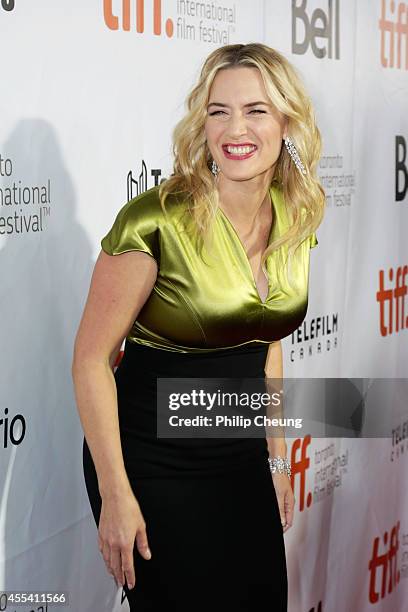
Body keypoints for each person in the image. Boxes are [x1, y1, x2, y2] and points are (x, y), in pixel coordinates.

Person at [72, 42, 325, 611]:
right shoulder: (156, 220)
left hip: (239, 458)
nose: (236, 127)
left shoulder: (297, 214)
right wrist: (116, 493)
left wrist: (277, 462)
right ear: (202, 122)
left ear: (286, 120)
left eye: (256, 110)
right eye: (219, 111)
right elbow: (90, 360)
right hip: (152, 463)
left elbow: (269, 351)